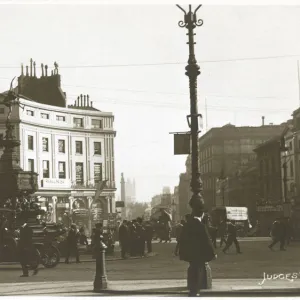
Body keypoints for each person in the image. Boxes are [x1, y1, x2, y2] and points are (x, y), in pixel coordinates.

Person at [179, 203, 216, 297]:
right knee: (198, 271)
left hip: (190, 253)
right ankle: (195, 291)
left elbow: (182, 239)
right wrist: (213, 253)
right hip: (199, 253)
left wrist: (183, 252)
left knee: (192, 270)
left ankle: (192, 290)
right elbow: (207, 241)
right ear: (201, 214)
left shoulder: (187, 224)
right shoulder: (200, 225)